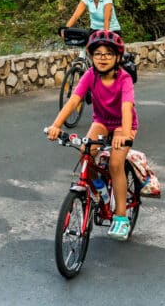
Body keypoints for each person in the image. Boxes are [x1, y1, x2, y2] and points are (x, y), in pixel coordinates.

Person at [47, 29, 137, 241]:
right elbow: (73, 100)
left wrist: (123, 133)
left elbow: (127, 107)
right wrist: (56, 125)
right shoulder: (90, 75)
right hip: (102, 122)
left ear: (117, 57)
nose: (102, 58)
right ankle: (98, 188)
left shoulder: (124, 79)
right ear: (91, 56)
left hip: (124, 124)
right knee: (85, 152)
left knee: (115, 164)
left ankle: (122, 217)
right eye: (98, 54)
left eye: (108, 54)